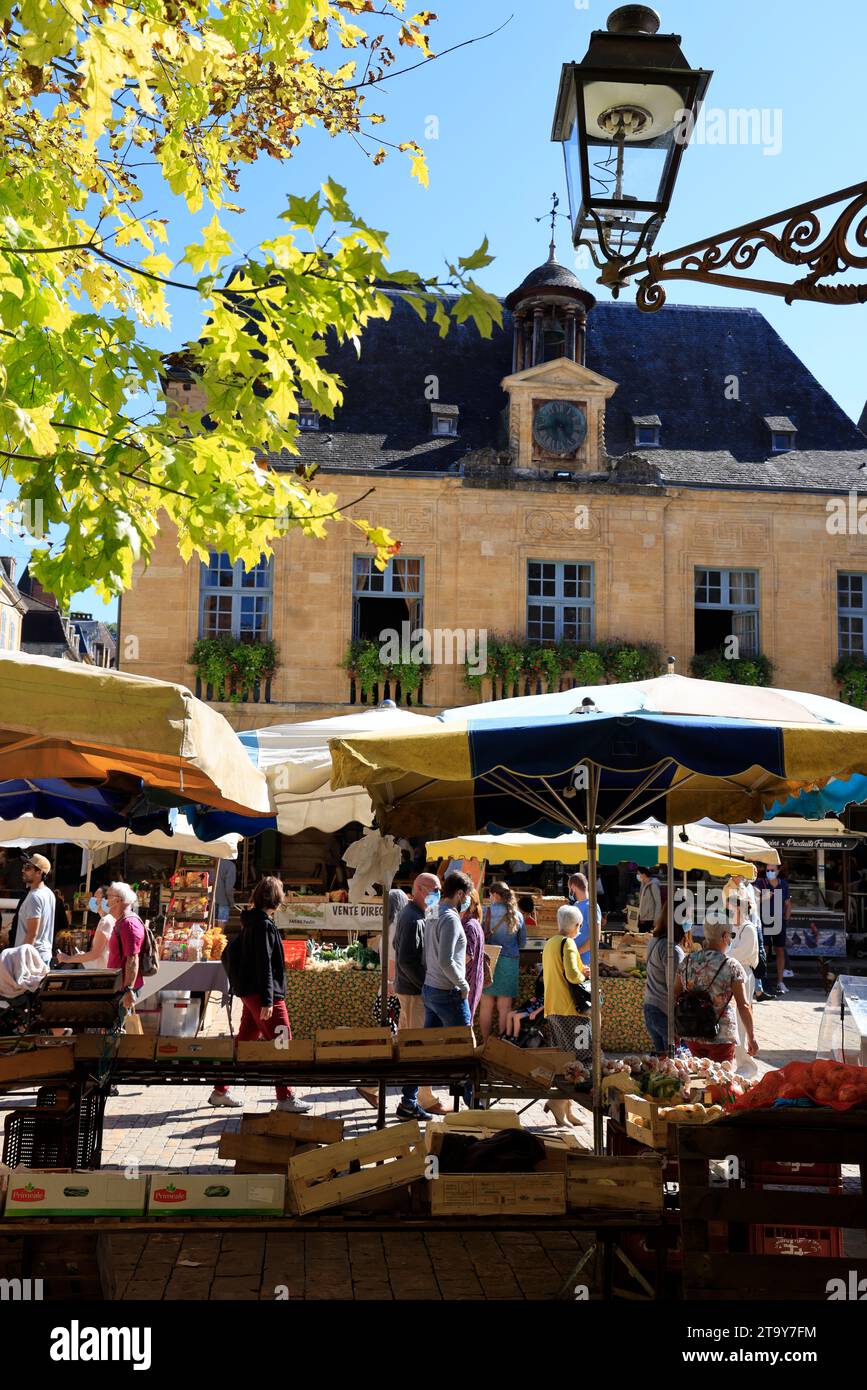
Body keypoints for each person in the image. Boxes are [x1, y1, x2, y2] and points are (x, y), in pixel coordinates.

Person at [209, 876, 310, 1113]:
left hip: (250, 992)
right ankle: (286, 1096)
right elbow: (264, 964)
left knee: (244, 1043)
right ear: (275, 898)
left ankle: (220, 1090)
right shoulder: (262, 924)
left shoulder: (251, 921)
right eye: (282, 893)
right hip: (263, 995)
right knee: (283, 1041)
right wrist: (267, 999)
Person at [674, 917, 758, 1064]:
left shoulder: (688, 961)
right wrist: (752, 1037)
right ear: (725, 936)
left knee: (698, 1075)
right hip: (721, 1034)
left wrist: (672, 1028)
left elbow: (675, 994)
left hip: (691, 1030)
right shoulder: (731, 966)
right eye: (731, 936)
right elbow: (743, 1005)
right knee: (720, 1079)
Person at [392, 872, 441, 1121]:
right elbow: (406, 960)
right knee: (414, 1048)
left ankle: (413, 1100)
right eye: (435, 890)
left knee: (410, 1045)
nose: (438, 895)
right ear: (420, 889)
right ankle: (408, 1103)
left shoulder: (421, 913)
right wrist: (426, 986)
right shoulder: (411, 917)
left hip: (413, 989)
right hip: (413, 992)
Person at [422, 871, 472, 1030]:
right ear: (459, 893)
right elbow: (445, 960)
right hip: (446, 991)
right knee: (462, 1044)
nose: (467, 900)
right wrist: (463, 985)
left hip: (431, 988)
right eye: (467, 895)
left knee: (431, 1045)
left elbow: (428, 950)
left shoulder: (433, 911)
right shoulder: (450, 918)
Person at [479, 881, 526, 1042]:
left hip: (488, 962)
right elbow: (522, 942)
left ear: (495, 895)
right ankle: (502, 1044)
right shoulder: (517, 915)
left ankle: (486, 1044)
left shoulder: (485, 912)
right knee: (504, 1008)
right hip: (509, 963)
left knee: (486, 1007)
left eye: (490, 895)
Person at [723, 884, 760, 1077]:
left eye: (731, 907)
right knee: (732, 1020)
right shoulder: (733, 928)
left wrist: (724, 954)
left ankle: (747, 1063)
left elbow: (741, 953)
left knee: (741, 1017)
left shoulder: (749, 929)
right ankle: (735, 1060)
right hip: (732, 973)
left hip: (744, 974)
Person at [541, 904, 588, 1053]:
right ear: (575, 925)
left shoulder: (550, 942)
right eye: (579, 925)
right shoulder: (568, 943)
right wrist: (584, 975)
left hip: (552, 1006)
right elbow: (573, 976)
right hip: (569, 1006)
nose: (579, 928)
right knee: (583, 1054)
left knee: (562, 1054)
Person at [104, 881, 146, 1028]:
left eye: (107, 897)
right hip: (119, 986)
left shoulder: (129, 924)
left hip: (124, 988)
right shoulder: (122, 921)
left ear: (118, 900)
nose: (105, 901)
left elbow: (133, 959)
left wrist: (128, 990)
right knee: (114, 1028)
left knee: (115, 1030)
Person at [643, 917, 686, 1052]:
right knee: (674, 1063)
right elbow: (675, 988)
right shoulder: (672, 949)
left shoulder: (654, 941)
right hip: (664, 1012)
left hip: (651, 1006)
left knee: (663, 1065)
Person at [754, 863, 791, 995]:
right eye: (768, 870)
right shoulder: (760, 882)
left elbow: (787, 903)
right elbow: (753, 901)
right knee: (764, 950)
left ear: (778, 870)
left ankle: (780, 981)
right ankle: (763, 980)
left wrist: (786, 918)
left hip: (779, 921)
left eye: (772, 870)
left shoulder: (784, 884)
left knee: (780, 949)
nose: (769, 872)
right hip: (763, 921)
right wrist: (764, 897)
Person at [13, 853, 56, 968]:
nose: (23, 870)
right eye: (24, 867)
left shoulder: (35, 897)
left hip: (31, 958)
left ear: (39, 872)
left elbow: (32, 934)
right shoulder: (49, 893)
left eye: (28, 868)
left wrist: (22, 960)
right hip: (42, 955)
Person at [57, 886, 115, 969]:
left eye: (95, 897)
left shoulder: (105, 921)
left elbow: (95, 954)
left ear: (105, 900)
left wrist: (68, 959)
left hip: (101, 973)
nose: (92, 900)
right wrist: (82, 956)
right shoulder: (110, 919)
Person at [462, 887, 486, 1024]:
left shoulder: (469, 925)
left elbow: (466, 956)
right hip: (471, 979)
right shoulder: (473, 923)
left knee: (465, 1024)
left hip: (469, 980)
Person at [567, 872, 601, 971]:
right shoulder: (576, 905)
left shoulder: (591, 906)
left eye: (569, 888)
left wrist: (576, 952)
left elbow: (595, 938)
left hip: (585, 962)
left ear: (573, 887)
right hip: (575, 960)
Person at [503, 965, 544, 1040]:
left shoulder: (550, 993)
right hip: (531, 1007)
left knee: (516, 1017)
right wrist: (534, 998)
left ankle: (515, 1037)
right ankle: (507, 1035)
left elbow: (546, 1005)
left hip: (535, 1011)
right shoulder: (542, 985)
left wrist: (535, 1013)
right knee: (509, 1015)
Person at [637, 868, 662, 933]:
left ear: (644, 874)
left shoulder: (653, 886)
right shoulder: (643, 885)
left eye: (638, 873)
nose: (637, 875)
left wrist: (656, 919)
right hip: (643, 917)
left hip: (650, 918)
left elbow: (658, 903)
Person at [213, 857, 237, 925]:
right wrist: (231, 901)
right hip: (223, 901)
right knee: (219, 932)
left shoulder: (209, 863)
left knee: (210, 931)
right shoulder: (230, 865)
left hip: (209, 900)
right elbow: (228, 888)